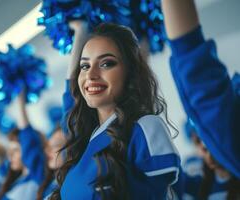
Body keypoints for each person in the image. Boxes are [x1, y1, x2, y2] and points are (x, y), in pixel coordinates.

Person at [49, 21, 180, 199]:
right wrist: (81, 30)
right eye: (85, 66)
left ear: (130, 72)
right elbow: (71, 93)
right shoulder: (86, 138)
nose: (91, 75)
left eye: (106, 64)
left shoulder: (145, 127)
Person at [161, 0, 240, 198]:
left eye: (208, 139)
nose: (207, 148)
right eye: (200, 142)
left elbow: (206, 92)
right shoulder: (192, 175)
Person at [0, 91, 46, 200]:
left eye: (16, 150)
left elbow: (28, 140)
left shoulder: (38, 176)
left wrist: (19, 96)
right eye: (10, 151)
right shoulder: (14, 182)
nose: (10, 156)